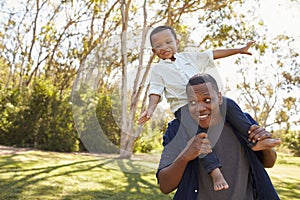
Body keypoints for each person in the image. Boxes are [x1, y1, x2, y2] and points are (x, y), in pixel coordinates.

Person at [138, 25, 257, 190]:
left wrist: (238, 50)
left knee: (229, 103)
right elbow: (155, 91)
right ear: (153, 50)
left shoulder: (188, 57)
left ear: (176, 42)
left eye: (167, 42)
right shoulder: (158, 70)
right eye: (158, 46)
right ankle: (215, 171)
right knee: (197, 137)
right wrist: (150, 109)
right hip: (184, 108)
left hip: (204, 100)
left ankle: (255, 137)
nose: (164, 47)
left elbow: (212, 54)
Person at [156, 73, 281, 199]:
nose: (200, 108)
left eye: (207, 100)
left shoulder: (243, 123)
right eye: (193, 102)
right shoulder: (177, 129)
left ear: (220, 98)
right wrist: (185, 156)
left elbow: (269, 163)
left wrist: (266, 148)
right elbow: (165, 186)